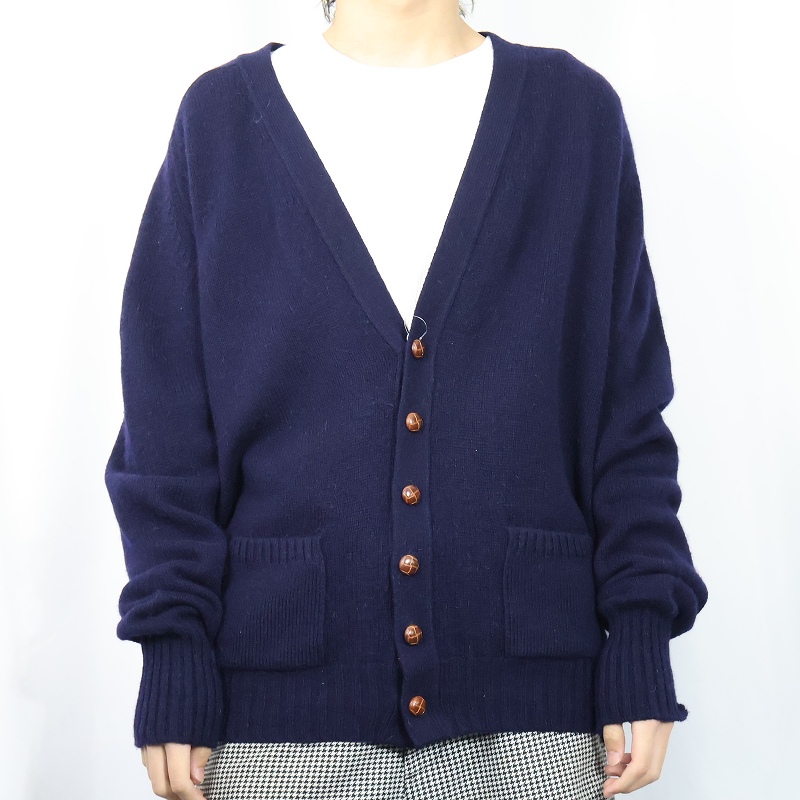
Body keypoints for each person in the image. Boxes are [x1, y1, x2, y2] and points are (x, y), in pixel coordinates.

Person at [104, 1, 709, 798]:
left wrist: (639, 632)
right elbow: (166, 430)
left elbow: (624, 417)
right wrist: (173, 652)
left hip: (532, 721)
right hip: (278, 725)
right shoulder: (219, 121)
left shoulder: (576, 116)